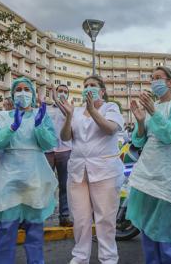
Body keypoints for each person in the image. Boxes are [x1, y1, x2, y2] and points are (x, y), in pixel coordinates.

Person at [127, 66, 171, 263]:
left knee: (167, 229)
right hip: (148, 172)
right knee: (148, 226)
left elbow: (169, 135)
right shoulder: (151, 108)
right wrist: (140, 122)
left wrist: (152, 112)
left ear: (170, 82)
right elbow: (139, 142)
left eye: (159, 78)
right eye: (152, 78)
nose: (154, 81)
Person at [56, 75, 125, 264]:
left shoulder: (111, 108)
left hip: (105, 171)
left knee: (105, 219)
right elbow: (66, 136)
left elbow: (110, 129)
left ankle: (108, 258)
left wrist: (92, 110)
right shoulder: (76, 111)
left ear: (102, 91)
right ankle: (80, 258)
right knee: (80, 219)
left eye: (93, 85)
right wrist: (69, 116)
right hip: (78, 171)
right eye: (85, 85)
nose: (88, 88)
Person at [0, 77, 58, 264]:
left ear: (33, 94)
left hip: (35, 176)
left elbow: (49, 144)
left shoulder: (41, 115)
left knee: (35, 233)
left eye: (26, 89)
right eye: (18, 89)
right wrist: (12, 127)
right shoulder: (2, 117)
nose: (22, 93)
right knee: (6, 231)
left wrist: (39, 125)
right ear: (12, 95)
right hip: (9, 177)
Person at [46, 84, 73, 227]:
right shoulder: (47, 110)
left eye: (65, 92)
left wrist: (58, 100)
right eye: (60, 91)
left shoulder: (70, 108)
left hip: (65, 151)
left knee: (64, 185)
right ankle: (42, 214)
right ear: (55, 93)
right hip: (48, 151)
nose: (62, 93)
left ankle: (64, 216)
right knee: (45, 184)